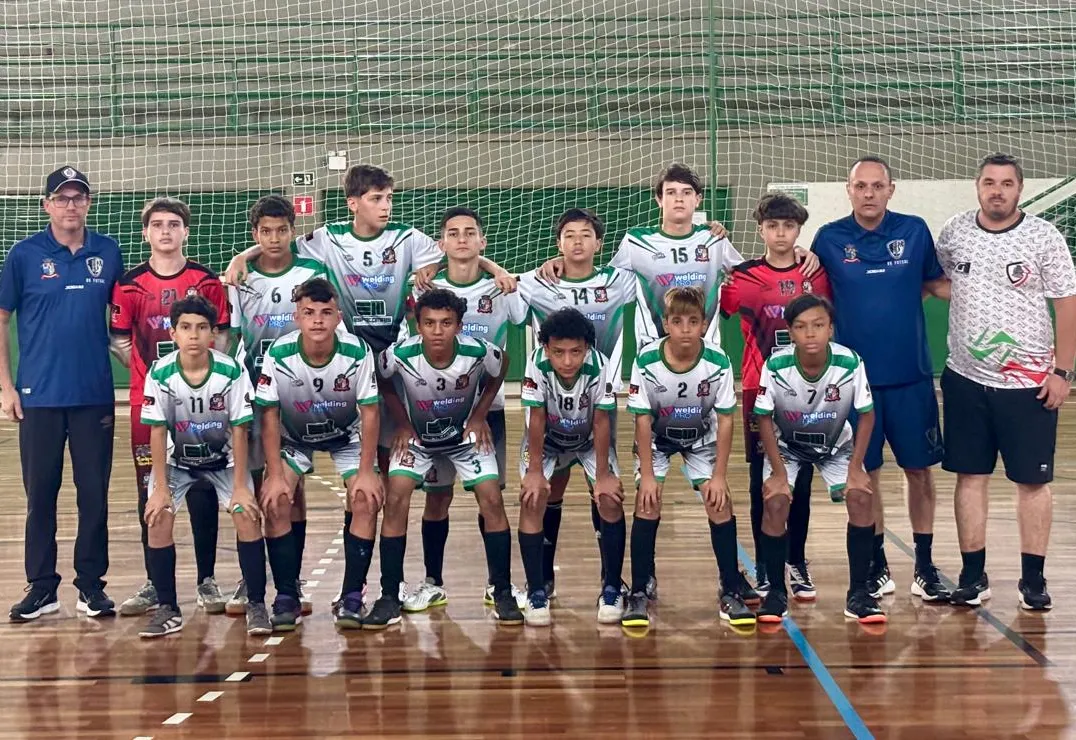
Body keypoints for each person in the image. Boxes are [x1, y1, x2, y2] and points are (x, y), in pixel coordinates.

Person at [224, 165, 513, 540]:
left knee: (385, 467)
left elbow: (459, 252)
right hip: (342, 364)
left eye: (389, 198)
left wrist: (494, 267)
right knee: (324, 468)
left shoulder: (407, 238)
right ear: (353, 203)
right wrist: (240, 258)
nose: (386, 206)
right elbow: (277, 244)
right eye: (377, 199)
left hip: (390, 366)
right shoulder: (327, 238)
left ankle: (378, 550)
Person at [935, 152, 1076, 610]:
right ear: (977, 186)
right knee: (970, 477)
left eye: (1007, 183)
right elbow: (936, 281)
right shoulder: (954, 232)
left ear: (1020, 189)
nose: (997, 191)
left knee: (1032, 483)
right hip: (965, 380)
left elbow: (1067, 304)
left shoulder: (1044, 236)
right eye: (989, 182)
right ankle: (972, 577)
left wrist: (1062, 372)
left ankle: (1033, 580)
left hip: (1029, 386)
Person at [809, 156, 951, 602]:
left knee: (919, 471)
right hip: (855, 386)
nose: (868, 193)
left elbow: (936, 284)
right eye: (860, 186)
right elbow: (805, 285)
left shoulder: (914, 231)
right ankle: (876, 564)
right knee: (864, 474)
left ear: (891, 189)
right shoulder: (828, 239)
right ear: (848, 190)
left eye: (877, 185)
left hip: (911, 376)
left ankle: (925, 566)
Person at [2, 166, 124, 623]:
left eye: (78, 197)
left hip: (94, 394)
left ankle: (91, 587)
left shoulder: (107, 251)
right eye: (62, 198)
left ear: (88, 203)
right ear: (46, 205)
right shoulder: (24, 255)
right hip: (38, 397)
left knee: (93, 495)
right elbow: (1, 319)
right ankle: (42, 587)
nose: (70, 205)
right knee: (41, 496)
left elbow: (123, 320)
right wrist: (6, 387)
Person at [370, 288, 523, 628]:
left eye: (446, 323)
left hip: (464, 438)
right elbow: (383, 379)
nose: (437, 331)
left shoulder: (477, 350)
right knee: (397, 497)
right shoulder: (400, 354)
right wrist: (402, 423)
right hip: (420, 440)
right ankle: (391, 594)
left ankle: (502, 591)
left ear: (459, 325)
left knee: (492, 498)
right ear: (418, 325)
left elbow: (502, 364)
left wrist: (480, 414)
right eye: (429, 323)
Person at [402, 207, 528, 613]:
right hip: (434, 410)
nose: (462, 239)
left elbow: (518, 324)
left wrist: (496, 270)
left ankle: (498, 586)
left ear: (482, 241)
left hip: (486, 410)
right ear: (441, 243)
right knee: (436, 499)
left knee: (489, 498)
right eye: (453, 233)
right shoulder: (425, 287)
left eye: (470, 233)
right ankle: (432, 583)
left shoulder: (502, 287)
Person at [110, 197, 231, 617]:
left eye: (173, 224)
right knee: (151, 489)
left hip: (201, 406)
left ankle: (207, 580)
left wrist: (200, 377)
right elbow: (119, 340)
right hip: (148, 405)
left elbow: (222, 335)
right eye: (158, 224)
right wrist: (154, 378)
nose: (165, 231)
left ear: (186, 231)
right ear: (145, 232)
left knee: (202, 486)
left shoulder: (206, 280)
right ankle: (155, 582)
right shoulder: (129, 284)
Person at [517, 208, 635, 595]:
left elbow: (664, 274)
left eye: (586, 234)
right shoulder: (538, 282)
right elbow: (500, 282)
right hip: (550, 403)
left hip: (597, 400)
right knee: (549, 488)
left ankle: (610, 580)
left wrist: (710, 231)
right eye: (569, 235)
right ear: (558, 243)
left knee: (604, 490)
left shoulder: (618, 281)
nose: (578, 241)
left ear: (599, 243)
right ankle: (542, 579)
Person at [720, 192, 832, 601]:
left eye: (788, 226)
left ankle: (795, 560)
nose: (781, 233)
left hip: (807, 391)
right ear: (760, 230)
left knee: (801, 478)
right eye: (772, 226)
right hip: (759, 389)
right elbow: (716, 309)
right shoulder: (742, 277)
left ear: (799, 230)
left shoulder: (815, 274)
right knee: (761, 481)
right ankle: (767, 567)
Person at [254, 278, 382, 630]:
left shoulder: (357, 352)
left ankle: (352, 595)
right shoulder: (279, 354)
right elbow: (269, 415)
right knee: (276, 499)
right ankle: (286, 595)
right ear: (297, 317)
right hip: (294, 437)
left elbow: (370, 412)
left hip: (346, 437)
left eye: (326, 313)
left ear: (338, 317)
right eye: (309, 313)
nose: (317, 320)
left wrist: (367, 471)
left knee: (366, 498)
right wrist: (275, 474)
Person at [225, 194, 332, 616]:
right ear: (255, 234)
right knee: (253, 486)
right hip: (254, 392)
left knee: (292, 488)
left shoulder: (311, 271)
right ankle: (250, 578)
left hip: (298, 395)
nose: (273, 238)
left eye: (281, 230)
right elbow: (233, 337)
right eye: (265, 231)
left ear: (293, 231)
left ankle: (292, 578)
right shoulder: (241, 276)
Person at [623, 286, 750, 629]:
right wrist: (647, 475)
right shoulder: (647, 360)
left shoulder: (718, 361)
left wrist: (719, 476)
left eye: (693, 321)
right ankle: (640, 587)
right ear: (665, 324)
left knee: (719, 502)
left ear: (704, 325)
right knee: (647, 501)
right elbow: (642, 420)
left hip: (700, 439)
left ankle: (730, 587)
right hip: (658, 440)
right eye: (677, 321)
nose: (685, 329)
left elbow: (726, 420)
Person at [754, 294, 883, 625]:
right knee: (776, 502)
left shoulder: (849, 363)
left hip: (836, 446)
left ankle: (859, 594)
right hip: (788, 447)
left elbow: (867, 414)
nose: (810, 333)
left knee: (861, 496)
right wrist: (778, 472)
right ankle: (776, 593)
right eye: (801, 327)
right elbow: (764, 418)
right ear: (790, 332)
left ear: (830, 329)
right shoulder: (776, 366)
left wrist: (855, 468)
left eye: (818, 325)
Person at [138, 295, 260, 637]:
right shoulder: (160, 372)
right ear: (173, 333)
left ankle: (256, 603)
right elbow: (157, 431)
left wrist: (240, 487)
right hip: (178, 463)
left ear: (213, 334)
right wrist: (160, 488)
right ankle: (168, 608)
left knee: (247, 513)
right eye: (186, 328)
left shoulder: (231, 371)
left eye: (202, 328)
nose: (194, 335)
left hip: (224, 461)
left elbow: (240, 429)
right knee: (158, 516)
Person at [519, 308, 622, 625]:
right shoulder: (536, 363)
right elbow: (536, 417)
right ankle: (537, 589)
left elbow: (602, 420)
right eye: (558, 352)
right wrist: (535, 471)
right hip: (548, 439)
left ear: (587, 348)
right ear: (546, 348)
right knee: (534, 498)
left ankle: (612, 587)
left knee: (609, 499)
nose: (567, 361)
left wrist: (602, 476)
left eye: (575, 352)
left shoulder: (601, 366)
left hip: (588, 438)